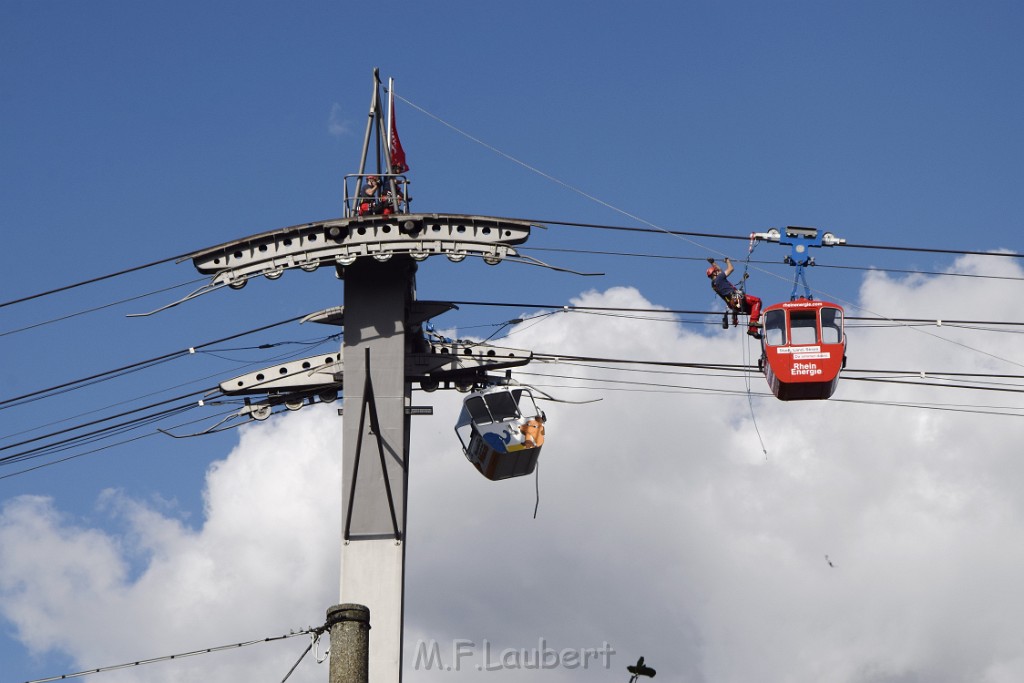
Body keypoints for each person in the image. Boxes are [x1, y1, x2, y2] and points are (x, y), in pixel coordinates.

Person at [706, 257, 763, 338]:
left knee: (754, 311)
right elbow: (731, 269)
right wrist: (728, 261)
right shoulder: (720, 278)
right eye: (717, 271)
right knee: (757, 301)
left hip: (733, 305)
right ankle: (753, 324)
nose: (718, 271)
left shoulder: (714, 285)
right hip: (737, 300)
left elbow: (720, 271)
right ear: (715, 273)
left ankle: (752, 330)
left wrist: (713, 263)